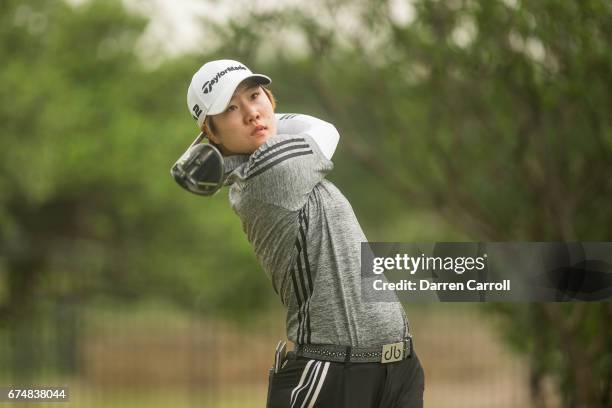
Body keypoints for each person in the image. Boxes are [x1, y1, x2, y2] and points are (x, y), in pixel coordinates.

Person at [186, 59, 425, 407]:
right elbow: (324, 129)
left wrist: (215, 145)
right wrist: (251, 129)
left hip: (397, 368)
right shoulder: (268, 172)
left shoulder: (255, 165)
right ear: (211, 131)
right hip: (331, 373)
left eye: (255, 96)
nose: (252, 113)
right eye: (231, 109)